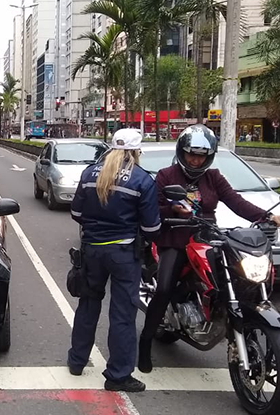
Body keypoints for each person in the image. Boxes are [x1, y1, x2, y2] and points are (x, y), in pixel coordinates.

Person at [138, 124, 280, 373]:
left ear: (208, 157)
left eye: (201, 155)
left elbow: (237, 202)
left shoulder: (214, 177)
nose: (195, 160)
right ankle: (144, 344)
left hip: (208, 235)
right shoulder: (166, 175)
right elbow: (152, 209)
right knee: (164, 288)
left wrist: (268, 216)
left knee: (239, 276)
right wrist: (171, 210)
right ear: (182, 153)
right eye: (191, 154)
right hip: (175, 236)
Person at [68, 129, 160, 393]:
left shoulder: (89, 173)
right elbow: (152, 229)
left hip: (92, 250)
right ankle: (118, 375)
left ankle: (77, 361)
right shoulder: (142, 180)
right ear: (136, 151)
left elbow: (76, 213)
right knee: (121, 314)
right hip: (123, 253)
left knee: (88, 304)